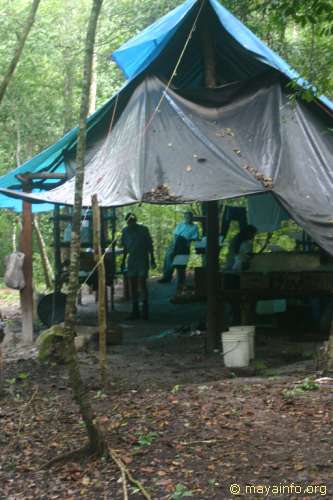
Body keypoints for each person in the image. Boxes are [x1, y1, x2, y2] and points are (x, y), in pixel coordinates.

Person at [121, 213, 156, 320]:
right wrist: (123, 261)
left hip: (142, 258)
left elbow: (150, 245)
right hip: (132, 260)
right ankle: (135, 310)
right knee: (133, 284)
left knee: (142, 283)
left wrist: (152, 259)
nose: (131, 223)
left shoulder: (143, 230)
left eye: (133, 221)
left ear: (135, 221)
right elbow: (125, 248)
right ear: (127, 222)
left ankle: (145, 311)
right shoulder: (125, 231)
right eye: (129, 221)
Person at [159, 211, 199, 290]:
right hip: (175, 242)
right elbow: (175, 234)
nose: (188, 218)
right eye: (186, 217)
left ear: (192, 218)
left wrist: (188, 241)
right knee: (168, 259)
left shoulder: (194, 227)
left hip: (184, 244)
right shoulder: (180, 224)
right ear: (184, 217)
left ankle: (181, 282)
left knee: (181, 263)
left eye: (189, 217)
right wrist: (174, 243)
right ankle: (167, 277)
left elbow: (195, 237)